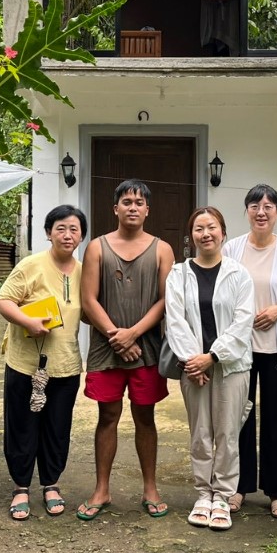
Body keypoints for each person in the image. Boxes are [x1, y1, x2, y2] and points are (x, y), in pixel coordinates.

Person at [77, 179, 175, 520]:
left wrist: (132, 334)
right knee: (107, 416)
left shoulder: (162, 249)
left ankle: (150, 488)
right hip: (106, 350)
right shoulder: (96, 248)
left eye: (139, 202)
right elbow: (88, 299)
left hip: (147, 348)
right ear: (115, 208)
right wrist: (116, 337)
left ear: (148, 210)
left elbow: (165, 300)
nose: (133, 207)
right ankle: (101, 489)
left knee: (145, 417)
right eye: (127, 202)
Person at [0, 205, 88, 521]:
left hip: (66, 364)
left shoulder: (84, 271)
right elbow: (3, 300)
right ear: (49, 233)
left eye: (74, 229)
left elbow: (88, 311)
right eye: (60, 228)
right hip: (26, 363)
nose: (67, 235)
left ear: (81, 236)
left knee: (57, 428)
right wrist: (27, 321)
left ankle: (51, 484)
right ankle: (21, 487)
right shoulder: (30, 266)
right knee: (22, 425)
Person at [164, 206, 253, 531]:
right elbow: (175, 320)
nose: (206, 234)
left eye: (212, 227)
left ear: (223, 233)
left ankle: (224, 497)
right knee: (200, 434)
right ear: (191, 237)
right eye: (199, 228)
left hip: (231, 366)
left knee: (228, 434)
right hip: (193, 369)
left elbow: (244, 322)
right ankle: (204, 493)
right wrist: (193, 360)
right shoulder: (178, 274)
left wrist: (212, 356)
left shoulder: (239, 274)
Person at [222, 184, 277, 519]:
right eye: (255, 206)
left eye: (269, 206)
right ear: (247, 212)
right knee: (239, 417)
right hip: (241, 348)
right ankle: (237, 486)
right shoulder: (232, 249)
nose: (261, 212)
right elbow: (223, 292)